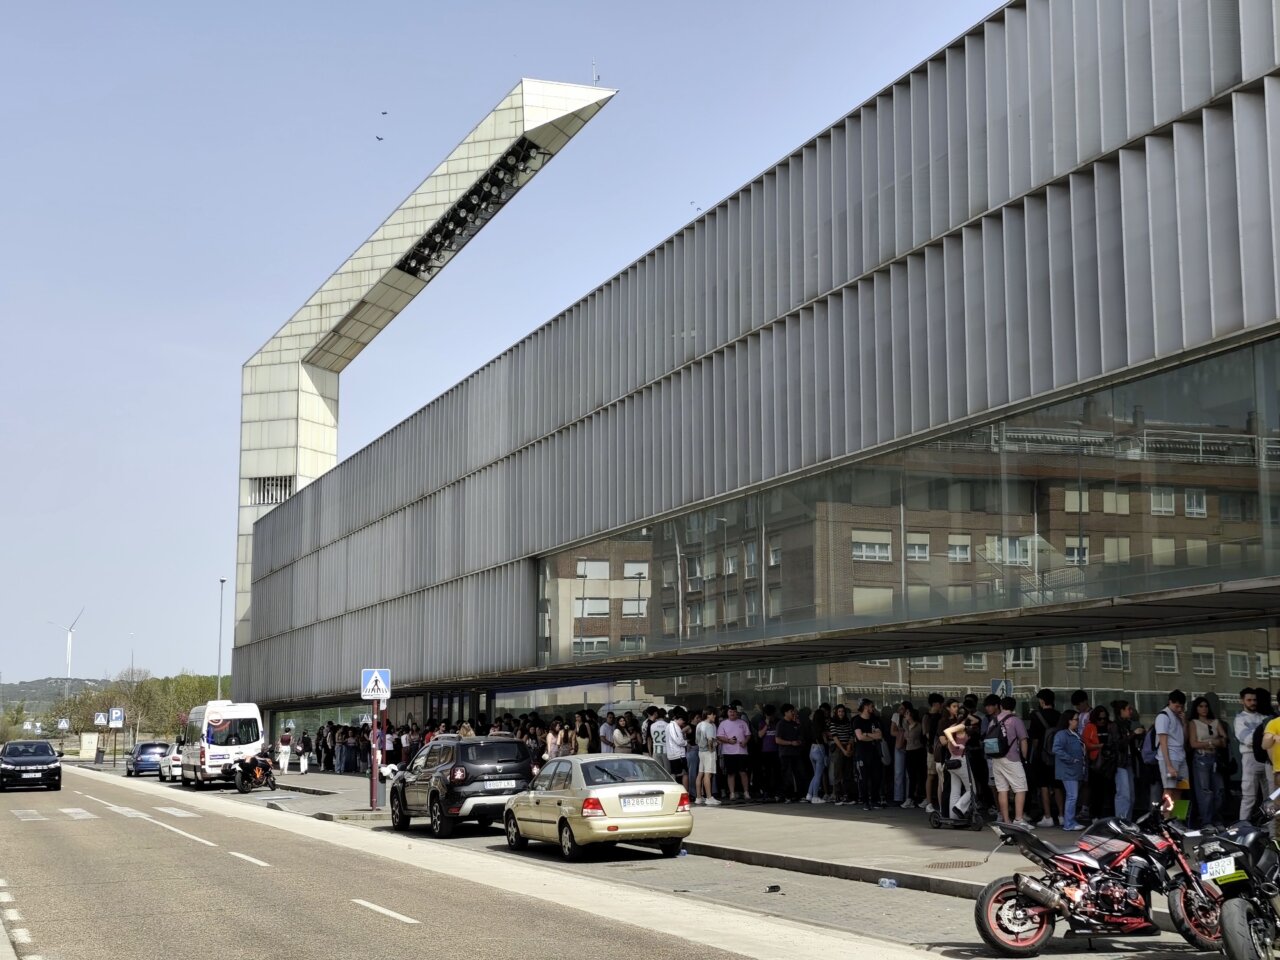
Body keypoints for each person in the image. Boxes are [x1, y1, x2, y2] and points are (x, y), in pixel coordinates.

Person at [990, 697, 1031, 825]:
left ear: (1001, 706)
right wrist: (1024, 758)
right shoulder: (1015, 720)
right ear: (1013, 707)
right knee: (1020, 788)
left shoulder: (994, 720)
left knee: (1002, 789)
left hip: (996, 758)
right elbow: (1023, 740)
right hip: (1012, 758)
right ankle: (1018, 819)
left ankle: (1006, 820)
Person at [1188, 696, 1226, 827]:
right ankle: (1206, 820)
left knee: (1218, 790)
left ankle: (1217, 818)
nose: (1204, 709)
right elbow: (1193, 743)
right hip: (1201, 758)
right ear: (1196, 708)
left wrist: (1216, 742)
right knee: (1205, 790)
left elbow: (1224, 740)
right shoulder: (1193, 723)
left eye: (1206, 706)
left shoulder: (1215, 722)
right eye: (1200, 706)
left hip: (1215, 758)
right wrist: (1211, 742)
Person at [1028, 689, 1062, 827]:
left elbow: (1035, 739)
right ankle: (1062, 815)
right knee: (1058, 785)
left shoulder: (1036, 716)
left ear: (1041, 701)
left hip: (1042, 755)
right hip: (1057, 755)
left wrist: (1034, 753)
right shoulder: (1059, 715)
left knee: (1043, 786)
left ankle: (1047, 816)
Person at [1236, 688, 1269, 822]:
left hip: (1266, 758)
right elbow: (1247, 739)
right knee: (1249, 796)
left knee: (1269, 797)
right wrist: (1266, 739)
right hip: (1250, 758)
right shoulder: (1239, 719)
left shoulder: (1264, 718)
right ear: (1242, 701)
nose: (1252, 702)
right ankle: (1242, 826)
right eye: (1249, 700)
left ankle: (1270, 827)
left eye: (1254, 700)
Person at [1053, 710, 1087, 830]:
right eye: (1076, 719)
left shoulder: (1074, 733)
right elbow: (1056, 749)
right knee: (1072, 796)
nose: (1078, 722)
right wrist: (1071, 759)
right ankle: (1069, 823)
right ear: (1069, 721)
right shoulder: (1062, 734)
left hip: (1075, 769)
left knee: (1072, 796)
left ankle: (1070, 821)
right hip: (1068, 770)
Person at [1155, 689, 1189, 808]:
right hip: (1169, 757)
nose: (1179, 709)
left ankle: (1177, 820)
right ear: (1170, 702)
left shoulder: (1178, 717)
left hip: (1180, 756)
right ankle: (1165, 819)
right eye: (1176, 706)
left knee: (1181, 789)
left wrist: (1184, 723)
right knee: (1169, 790)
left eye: (1181, 707)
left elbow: (1184, 738)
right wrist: (1168, 765)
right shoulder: (1163, 716)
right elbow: (1163, 742)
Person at [942, 707, 975, 820]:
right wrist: (955, 743)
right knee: (972, 790)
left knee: (955, 791)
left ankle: (953, 817)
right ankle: (959, 807)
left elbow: (974, 722)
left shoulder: (954, 726)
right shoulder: (961, 726)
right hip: (961, 761)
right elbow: (946, 731)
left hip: (952, 761)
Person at [852, 698, 885, 811]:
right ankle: (865, 801)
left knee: (876, 777)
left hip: (874, 753)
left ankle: (875, 800)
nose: (873, 708)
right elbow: (859, 737)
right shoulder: (857, 720)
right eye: (871, 706)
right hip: (861, 754)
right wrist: (871, 736)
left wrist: (867, 734)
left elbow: (879, 735)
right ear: (865, 707)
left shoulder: (874, 720)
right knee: (863, 779)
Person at [717, 706, 752, 803]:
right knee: (730, 773)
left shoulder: (742, 723)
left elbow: (748, 734)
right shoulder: (723, 723)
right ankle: (732, 793)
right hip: (728, 752)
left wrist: (745, 741)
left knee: (743, 772)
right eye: (730, 712)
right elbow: (719, 736)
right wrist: (728, 740)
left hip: (742, 751)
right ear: (727, 713)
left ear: (737, 713)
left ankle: (746, 792)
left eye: (734, 712)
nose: (732, 713)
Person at [1111, 701, 1137, 820]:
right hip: (1120, 762)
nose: (1130, 711)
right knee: (1123, 794)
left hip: (1128, 761)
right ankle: (1121, 821)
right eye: (1128, 709)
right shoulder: (1115, 725)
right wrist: (1133, 734)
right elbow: (1118, 744)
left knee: (1131, 795)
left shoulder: (1127, 724)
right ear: (1121, 710)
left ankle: (1127, 820)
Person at [775, 704, 805, 802]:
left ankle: (799, 795)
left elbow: (800, 736)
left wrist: (799, 741)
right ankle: (786, 795)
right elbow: (777, 740)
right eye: (791, 711)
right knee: (786, 775)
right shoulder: (781, 724)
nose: (793, 713)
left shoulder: (795, 724)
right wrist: (791, 743)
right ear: (786, 713)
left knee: (799, 773)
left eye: (794, 711)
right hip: (785, 753)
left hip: (796, 753)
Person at [921, 694, 945, 814]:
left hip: (937, 748)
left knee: (939, 777)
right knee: (931, 776)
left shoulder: (941, 716)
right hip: (932, 749)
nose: (942, 707)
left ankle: (938, 802)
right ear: (936, 704)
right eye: (941, 704)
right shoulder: (927, 717)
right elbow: (927, 734)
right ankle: (929, 802)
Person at [828, 703, 854, 804]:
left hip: (847, 746)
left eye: (842, 711)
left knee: (847, 772)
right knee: (837, 772)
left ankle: (846, 795)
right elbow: (835, 737)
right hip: (838, 748)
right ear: (836, 712)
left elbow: (851, 735)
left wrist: (849, 746)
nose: (841, 713)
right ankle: (837, 796)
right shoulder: (833, 723)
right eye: (839, 711)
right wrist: (843, 750)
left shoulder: (847, 722)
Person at [695, 707, 720, 806]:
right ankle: (709, 798)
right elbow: (710, 740)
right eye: (713, 714)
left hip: (700, 751)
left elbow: (696, 740)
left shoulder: (699, 724)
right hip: (708, 752)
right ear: (708, 714)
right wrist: (711, 749)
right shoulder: (709, 726)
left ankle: (698, 797)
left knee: (700, 773)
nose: (715, 716)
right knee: (708, 774)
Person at [903, 706, 926, 807]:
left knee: (921, 775)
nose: (905, 715)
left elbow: (923, 738)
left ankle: (924, 797)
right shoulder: (905, 725)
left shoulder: (919, 726)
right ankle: (910, 798)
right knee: (911, 776)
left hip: (918, 751)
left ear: (911, 715)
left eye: (907, 713)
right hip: (908, 751)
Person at [805, 707, 829, 804]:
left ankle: (809, 794)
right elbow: (825, 740)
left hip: (812, 749)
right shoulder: (822, 727)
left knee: (815, 775)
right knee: (818, 775)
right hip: (820, 750)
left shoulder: (812, 725)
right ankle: (815, 796)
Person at [890, 701, 911, 805]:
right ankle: (898, 797)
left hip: (910, 746)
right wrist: (902, 733)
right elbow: (892, 731)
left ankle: (908, 797)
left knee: (908, 773)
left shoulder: (910, 717)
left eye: (902, 708)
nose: (900, 711)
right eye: (899, 708)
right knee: (898, 772)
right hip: (900, 745)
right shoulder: (896, 716)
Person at [665, 710, 689, 789]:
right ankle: (685, 792)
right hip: (677, 754)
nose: (683, 724)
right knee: (684, 773)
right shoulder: (674, 726)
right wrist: (686, 742)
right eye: (683, 722)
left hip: (673, 754)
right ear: (680, 719)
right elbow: (678, 741)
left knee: (674, 774)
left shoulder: (669, 726)